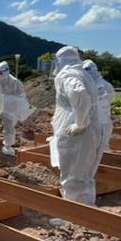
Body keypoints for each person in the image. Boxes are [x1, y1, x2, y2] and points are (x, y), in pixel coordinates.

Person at [51, 46, 102, 205]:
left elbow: (79, 94)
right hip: (91, 127)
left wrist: (80, 124)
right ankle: (87, 209)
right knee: (84, 174)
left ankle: (75, 214)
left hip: (77, 132)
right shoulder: (82, 74)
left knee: (73, 176)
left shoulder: (67, 74)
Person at [82, 59, 115, 167]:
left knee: (101, 145)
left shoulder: (104, 86)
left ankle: (104, 168)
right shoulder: (89, 85)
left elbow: (102, 104)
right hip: (95, 119)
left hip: (101, 120)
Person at [0, 60, 30, 156]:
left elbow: (21, 97)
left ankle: (8, 146)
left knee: (9, 126)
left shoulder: (14, 82)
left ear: (6, 72)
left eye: (0, 73)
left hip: (9, 109)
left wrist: (9, 101)